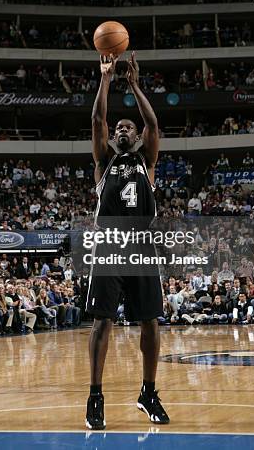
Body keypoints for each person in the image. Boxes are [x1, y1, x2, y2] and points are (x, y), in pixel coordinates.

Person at [85, 51, 169, 429]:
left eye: (128, 128)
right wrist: (106, 79)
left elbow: (154, 123)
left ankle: (148, 392)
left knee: (150, 323)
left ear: (136, 138)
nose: (121, 129)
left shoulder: (145, 161)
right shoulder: (105, 161)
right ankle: (95, 397)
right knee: (102, 322)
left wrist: (134, 84)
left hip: (142, 247)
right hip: (109, 246)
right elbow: (97, 119)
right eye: (118, 128)